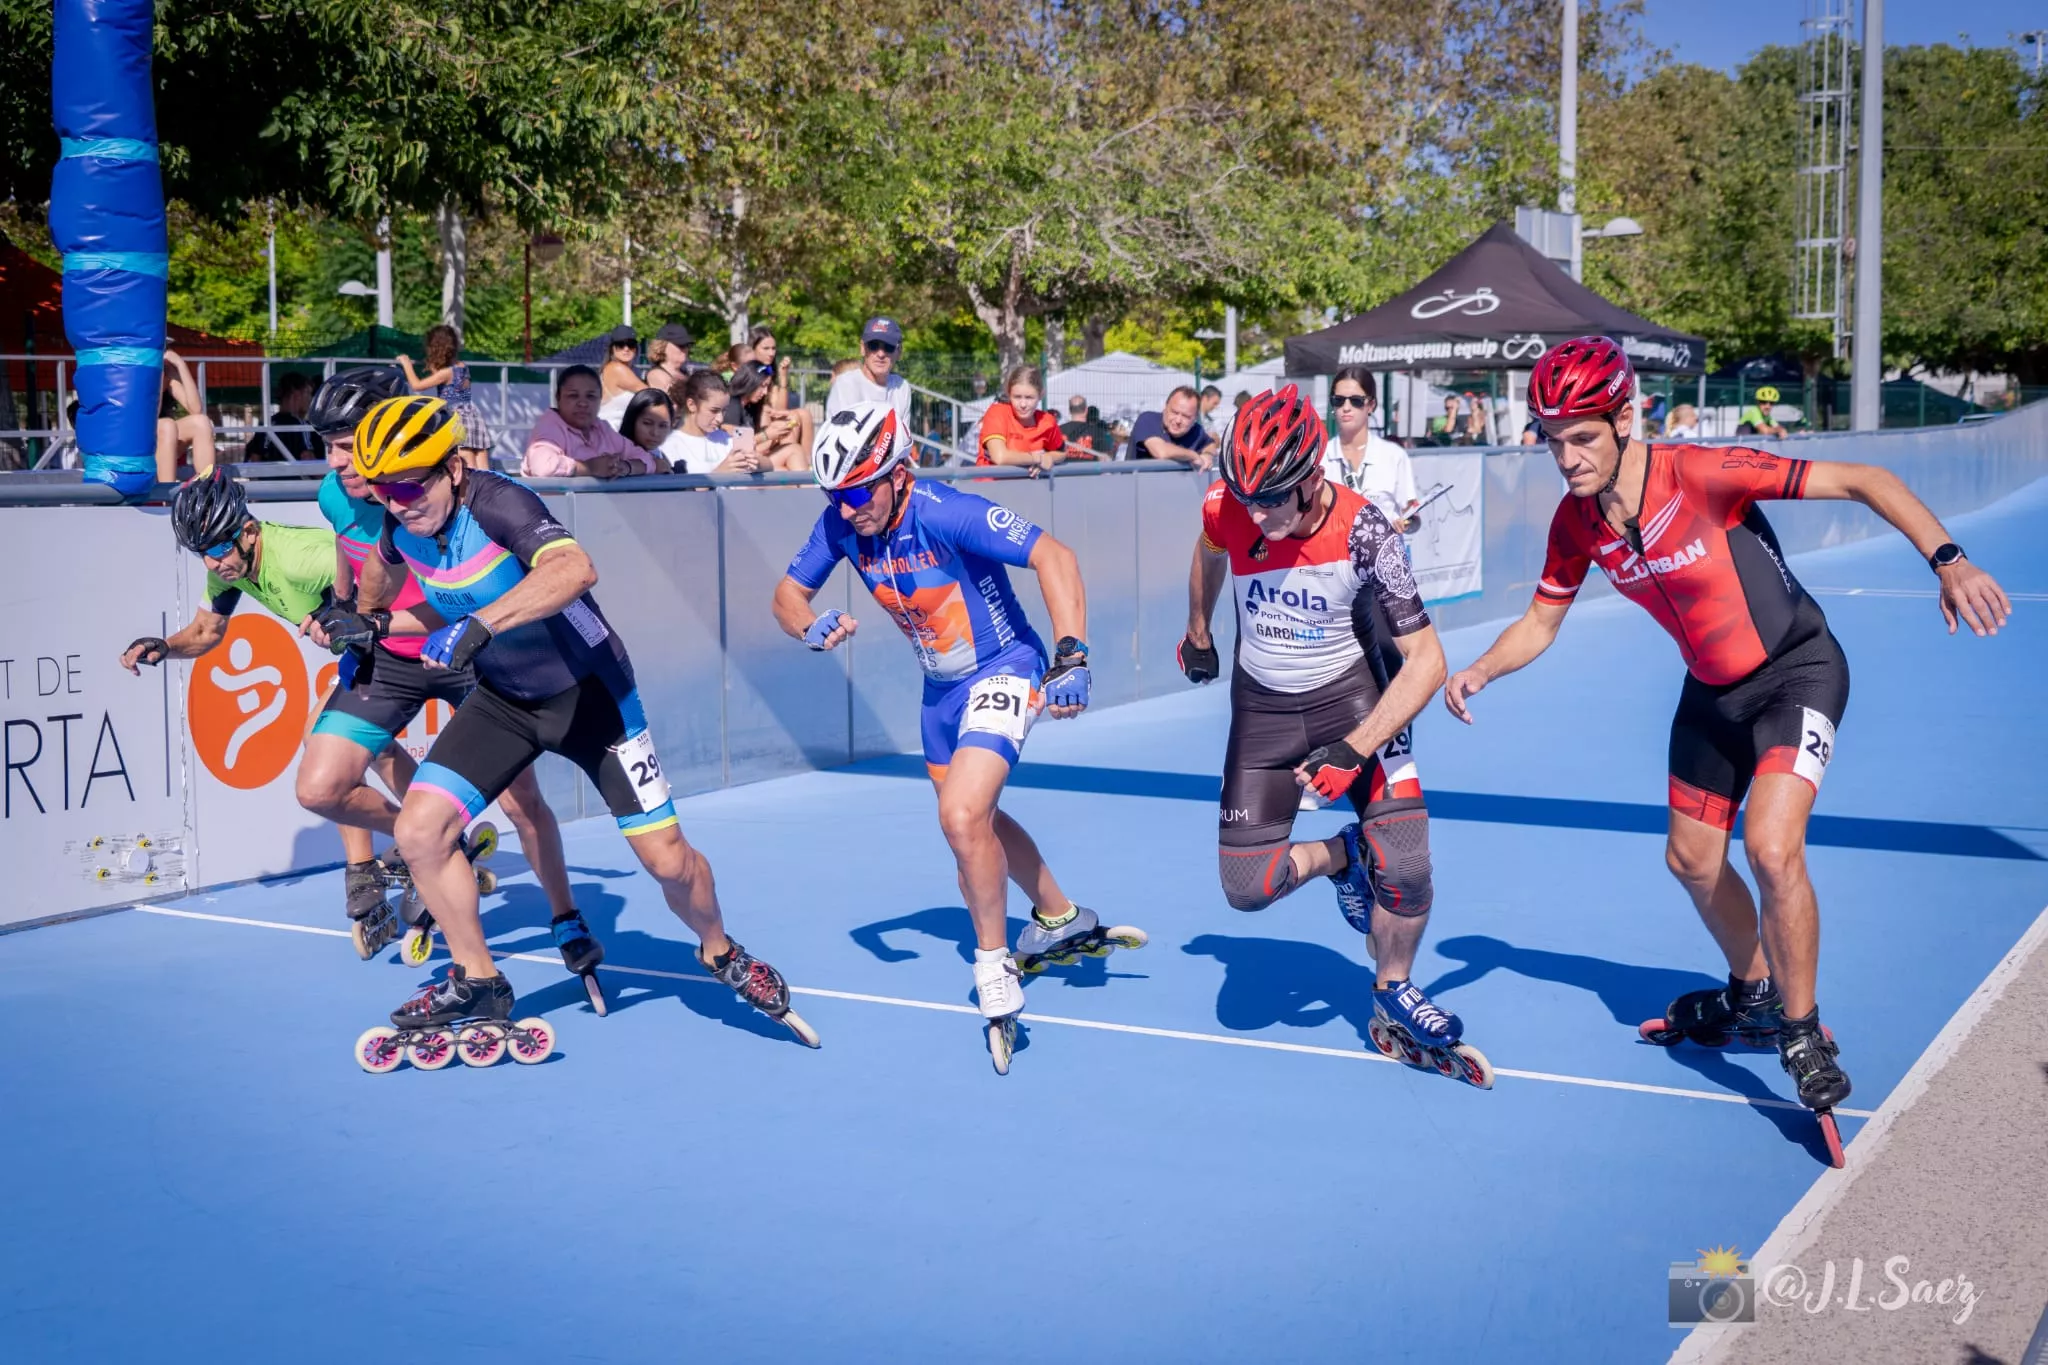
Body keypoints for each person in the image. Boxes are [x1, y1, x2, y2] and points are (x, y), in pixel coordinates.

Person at [1441, 336, 2014, 1153]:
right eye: (1550, 437)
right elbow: (1541, 618)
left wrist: (1948, 560)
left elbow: (1867, 478)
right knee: (1690, 860)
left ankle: (1802, 1027)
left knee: (1772, 848)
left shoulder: (1700, 473)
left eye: (1582, 437)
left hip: (1797, 673)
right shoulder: (1576, 524)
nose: (1564, 456)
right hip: (1712, 691)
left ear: (1625, 418)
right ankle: (1751, 993)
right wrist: (1481, 671)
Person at [341, 395, 815, 1044]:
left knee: (668, 862)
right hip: (507, 699)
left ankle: (720, 949)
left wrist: (481, 624)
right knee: (421, 831)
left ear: (451, 468)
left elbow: (575, 568)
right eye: (382, 489)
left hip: (592, 697)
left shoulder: (499, 503)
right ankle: (479, 977)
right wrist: (364, 621)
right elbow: (383, 579)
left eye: (407, 483)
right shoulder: (401, 527)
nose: (396, 501)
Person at [773, 402, 1131, 1070]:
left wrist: (1072, 653)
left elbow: (1055, 554)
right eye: (834, 496)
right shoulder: (843, 522)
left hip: (1006, 665)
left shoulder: (944, 509)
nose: (846, 509)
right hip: (939, 693)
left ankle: (993, 965)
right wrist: (808, 624)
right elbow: (786, 595)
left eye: (855, 492)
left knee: (961, 814)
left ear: (897, 473)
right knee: (973, 823)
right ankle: (1059, 916)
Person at [1176, 386, 1482, 1081]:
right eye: (1243, 497)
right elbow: (1209, 545)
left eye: (1271, 499)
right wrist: (1197, 627)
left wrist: (1356, 747)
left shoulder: (1365, 529)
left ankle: (1394, 985)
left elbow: (1427, 662)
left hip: (1354, 705)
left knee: (1406, 867)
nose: (1253, 514)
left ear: (1312, 476)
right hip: (1263, 709)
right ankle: (1345, 855)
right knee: (1246, 890)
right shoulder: (1233, 506)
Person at [297, 372, 583, 958]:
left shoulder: (436, 491)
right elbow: (352, 573)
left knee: (520, 802)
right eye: (328, 446)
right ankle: (424, 842)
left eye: (348, 445)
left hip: (462, 649)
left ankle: (565, 914)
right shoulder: (334, 495)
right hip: (391, 653)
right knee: (320, 786)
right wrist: (340, 610)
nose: (338, 462)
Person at [116, 469, 421, 935]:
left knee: (323, 741)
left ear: (249, 531)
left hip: (397, 646)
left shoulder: (300, 558)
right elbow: (207, 633)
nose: (213, 563)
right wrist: (164, 646)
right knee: (358, 748)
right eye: (202, 554)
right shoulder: (231, 570)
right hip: (363, 654)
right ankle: (419, 838)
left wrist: (347, 612)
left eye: (218, 548)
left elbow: (398, 581)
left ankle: (409, 846)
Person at [1321, 366, 1420, 533]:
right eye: (1338, 400)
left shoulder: (1393, 456)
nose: (1346, 407)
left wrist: (1407, 522)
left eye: (1356, 400)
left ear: (1371, 405)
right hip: (1336, 557)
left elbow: (1413, 517)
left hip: (1386, 554)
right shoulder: (1321, 457)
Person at [521, 365, 659, 479]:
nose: (583, 403)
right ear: (558, 398)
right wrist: (589, 468)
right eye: (573, 396)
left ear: (600, 399)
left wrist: (625, 467)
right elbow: (542, 467)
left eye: (591, 396)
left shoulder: (602, 428)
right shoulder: (550, 426)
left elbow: (646, 459)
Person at [977, 365, 1080, 471]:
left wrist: (1048, 458)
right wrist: (1037, 458)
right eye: (1017, 397)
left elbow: (1061, 453)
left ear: (1040, 395)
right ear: (1009, 393)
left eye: (1029, 397)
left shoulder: (1047, 421)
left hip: (1028, 486)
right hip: (990, 485)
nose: (1023, 404)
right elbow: (999, 457)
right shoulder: (997, 413)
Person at [398, 325, 482, 452]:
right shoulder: (462, 366)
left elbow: (416, 385)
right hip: (472, 415)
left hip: (457, 418)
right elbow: (447, 382)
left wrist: (406, 364)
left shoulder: (446, 373)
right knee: (480, 461)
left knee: (467, 462)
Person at [662, 371, 763, 475]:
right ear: (691, 405)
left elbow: (768, 464)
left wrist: (754, 461)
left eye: (724, 411)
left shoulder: (725, 439)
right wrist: (718, 474)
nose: (720, 419)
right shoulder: (670, 445)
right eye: (714, 411)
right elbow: (681, 489)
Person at [825, 317, 911, 422]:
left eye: (888, 347)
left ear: (899, 352)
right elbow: (843, 435)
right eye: (873, 345)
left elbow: (903, 437)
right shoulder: (845, 384)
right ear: (862, 348)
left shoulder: (901, 387)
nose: (881, 354)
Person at [730, 361, 812, 471]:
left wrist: (775, 433)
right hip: (739, 463)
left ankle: (807, 480)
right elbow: (733, 443)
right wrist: (766, 435)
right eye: (762, 386)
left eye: (767, 387)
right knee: (793, 452)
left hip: (750, 458)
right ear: (750, 382)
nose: (764, 392)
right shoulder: (733, 404)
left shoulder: (749, 407)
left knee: (790, 460)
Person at [156, 349, 215, 480]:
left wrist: (180, 365)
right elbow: (150, 416)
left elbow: (196, 409)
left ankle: (206, 487)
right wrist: (159, 378)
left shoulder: (167, 375)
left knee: (202, 422)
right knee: (167, 425)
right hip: (137, 438)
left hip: (164, 437)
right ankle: (167, 496)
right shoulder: (134, 369)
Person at [1128, 386, 1215, 469]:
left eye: (1186, 416)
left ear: (1195, 418)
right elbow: (1161, 452)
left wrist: (1208, 455)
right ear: (1165, 407)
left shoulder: (1197, 431)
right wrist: (1193, 456)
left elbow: (1210, 444)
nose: (1178, 420)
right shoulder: (1148, 420)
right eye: (1174, 412)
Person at [248, 372, 322, 461]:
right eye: (308, 393)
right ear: (296, 393)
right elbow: (307, 458)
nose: (310, 398)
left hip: (268, 474)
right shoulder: (301, 426)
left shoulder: (266, 424)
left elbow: (255, 458)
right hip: (294, 474)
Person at [618, 387, 679, 469]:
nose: (655, 432)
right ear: (632, 420)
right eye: (647, 423)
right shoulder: (615, 454)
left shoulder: (662, 456)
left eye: (663, 426)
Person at [598, 325, 648, 408]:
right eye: (620, 345)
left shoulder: (635, 370)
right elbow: (651, 395)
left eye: (631, 344)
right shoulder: (616, 369)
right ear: (612, 349)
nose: (626, 349)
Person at [645, 323, 696, 391]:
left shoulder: (685, 373)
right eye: (681, 345)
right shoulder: (656, 374)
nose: (685, 349)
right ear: (662, 346)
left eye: (687, 345)